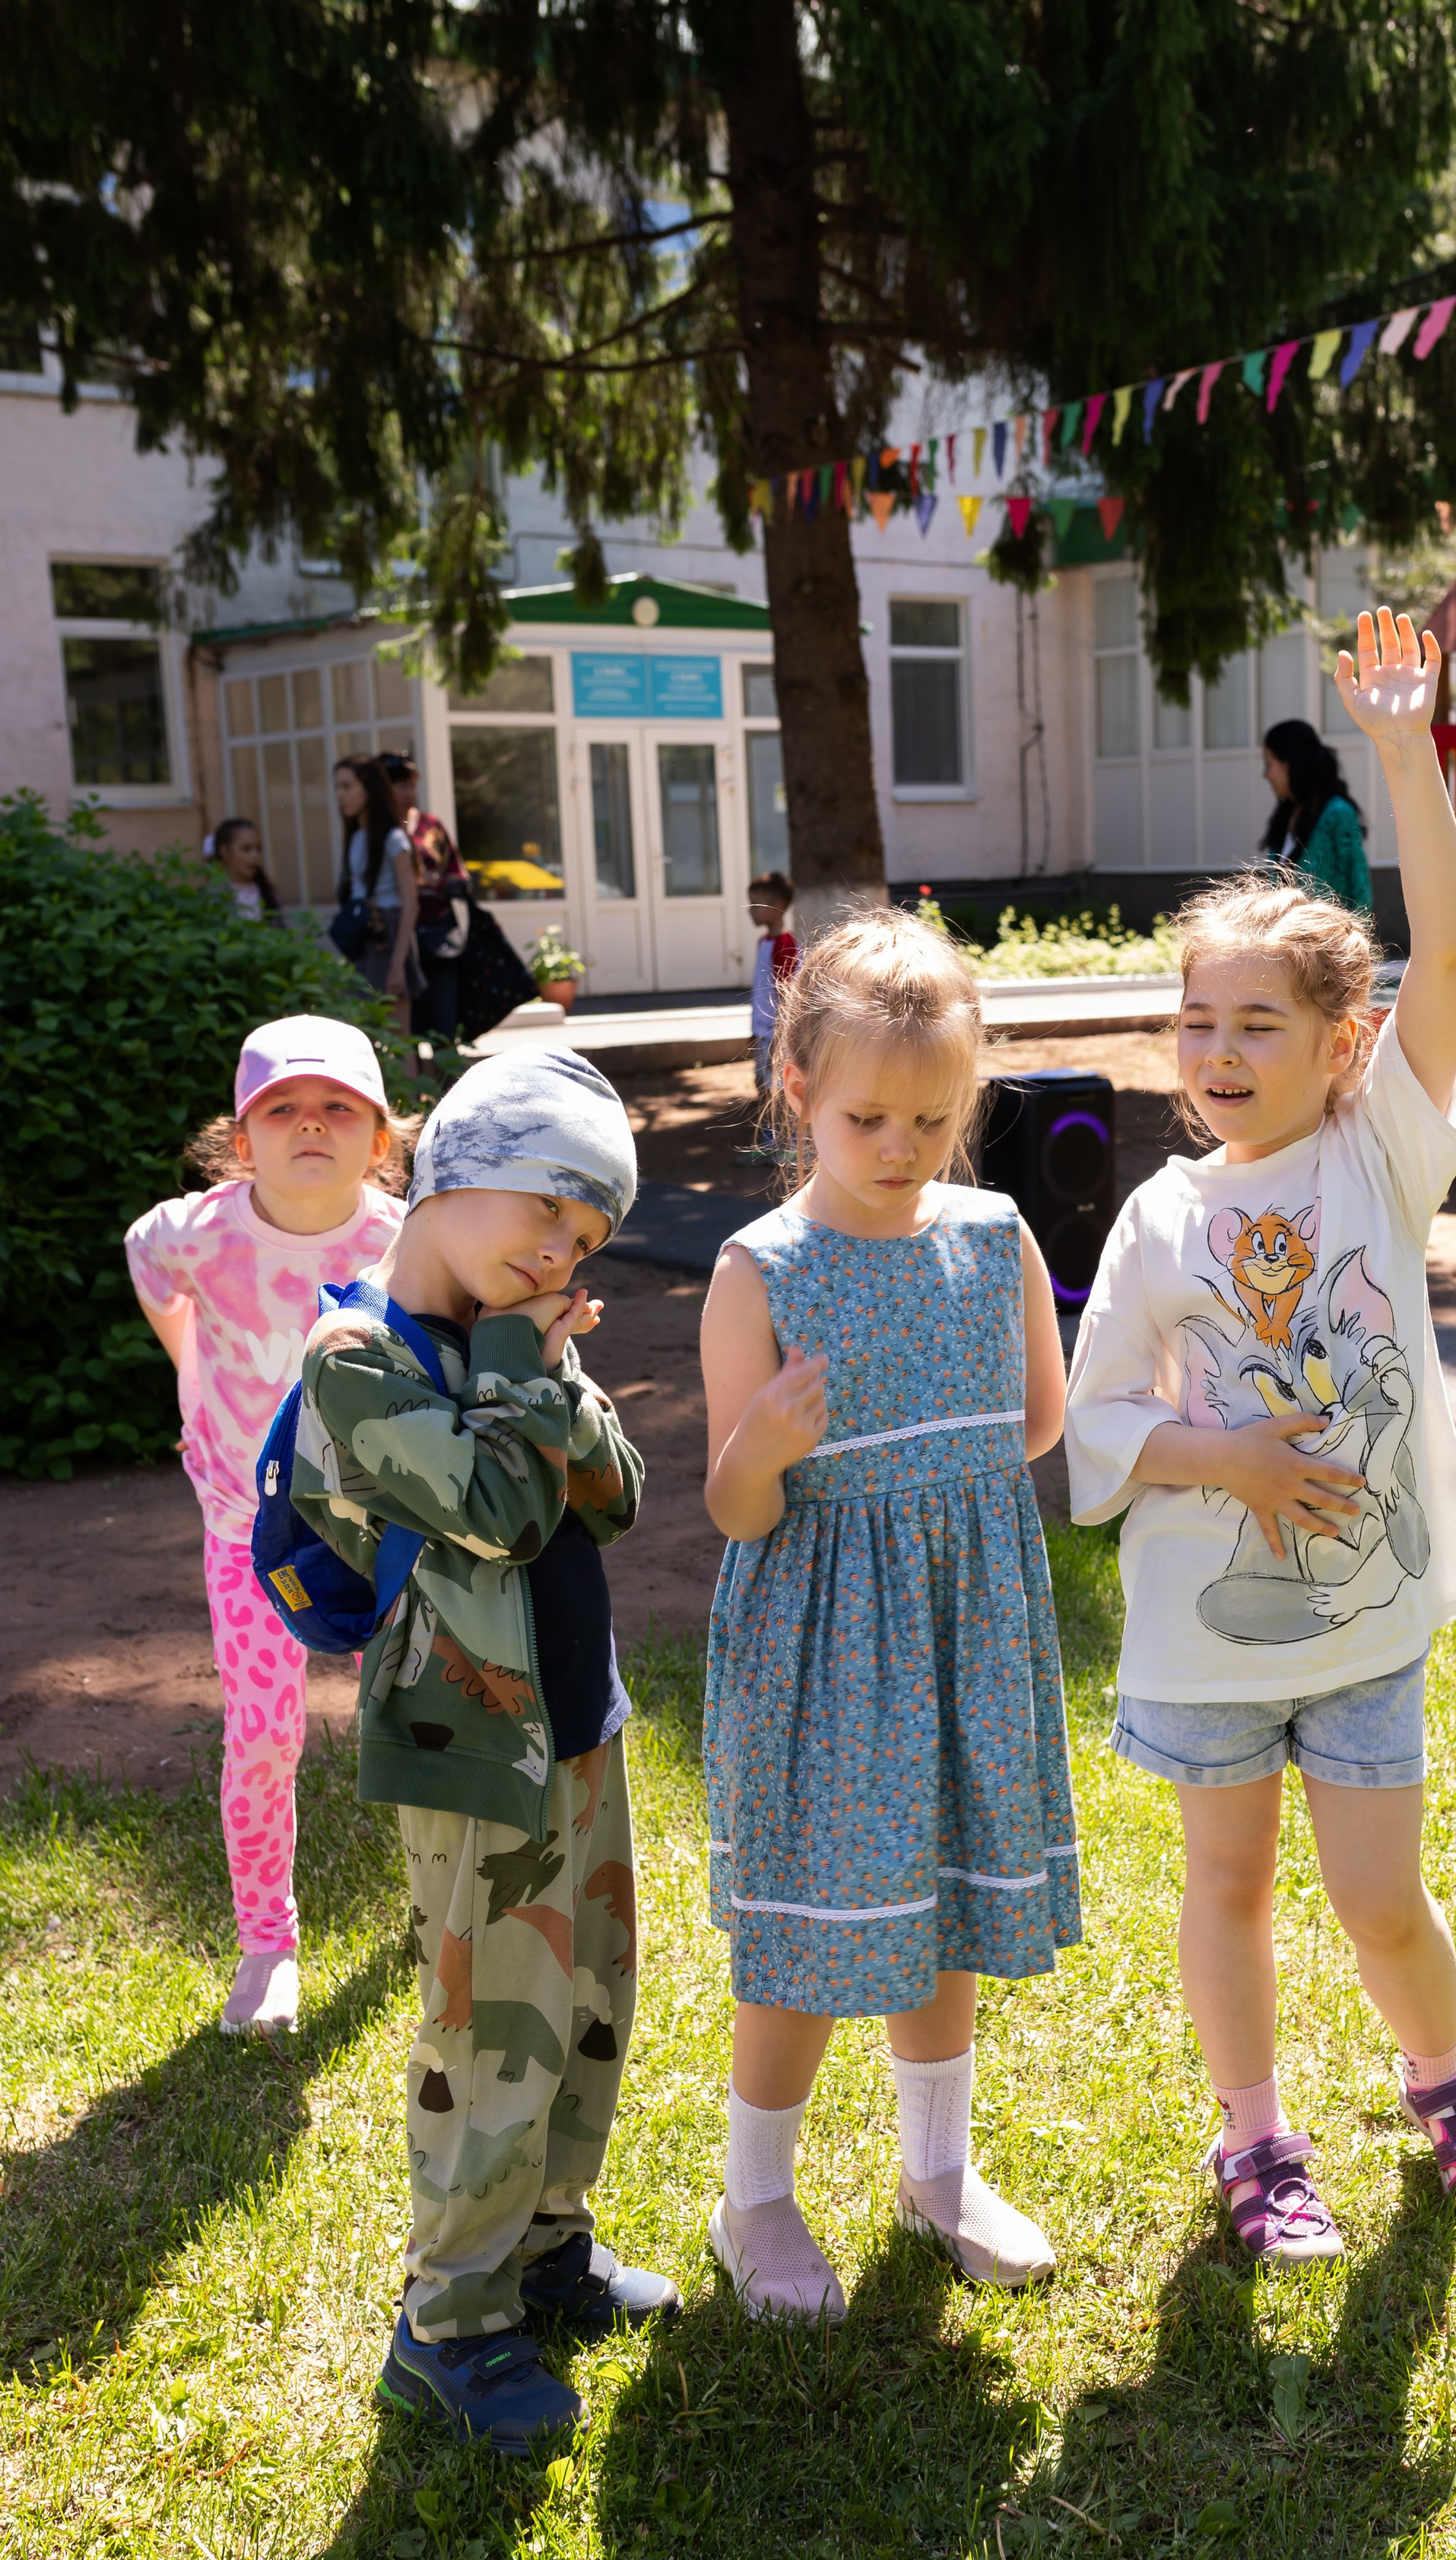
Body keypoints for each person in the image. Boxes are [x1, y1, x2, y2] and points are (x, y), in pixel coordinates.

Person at [1065, 608, 1456, 2266]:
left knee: (1377, 1896)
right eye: (1197, 1025)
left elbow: (1453, 946)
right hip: (1204, 1636)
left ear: (1338, 1047)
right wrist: (1230, 1463)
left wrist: (1404, 742)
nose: (1216, 1056)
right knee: (1227, 1889)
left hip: (1361, 1625)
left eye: (1256, 1026)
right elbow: (1095, 1424)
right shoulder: (1154, 1218)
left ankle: (1444, 2086)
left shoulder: (1377, 1156)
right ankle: (1256, 2144)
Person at [288, 1043, 678, 2449]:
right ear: (449, 1182)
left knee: (586, 2019)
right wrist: (530, 1362)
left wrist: (554, 1377)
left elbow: (617, 1495)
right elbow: (503, 1513)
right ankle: (448, 2326)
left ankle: (544, 2255)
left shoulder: (533, 1349)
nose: (561, 1254)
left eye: (587, 1238)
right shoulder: (357, 1361)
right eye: (546, 1215)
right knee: (487, 2043)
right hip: (471, 1756)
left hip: (583, 1734)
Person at [699, 910, 1077, 2322]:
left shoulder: (998, 1234)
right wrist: (765, 1453)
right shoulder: (760, 1270)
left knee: (947, 1916)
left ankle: (938, 2175)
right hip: (823, 1659)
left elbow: (1033, 1419)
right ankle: (756, 2199)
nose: (903, 1144)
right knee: (808, 1935)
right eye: (867, 1115)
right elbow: (734, 1513)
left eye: (932, 1116)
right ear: (796, 1088)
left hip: (964, 1636)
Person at [125, 1017, 405, 2033]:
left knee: (415, 1710)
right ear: (243, 1141)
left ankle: (439, 1902)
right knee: (261, 1734)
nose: (311, 1125)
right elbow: (148, 1262)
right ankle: (266, 1947)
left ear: (380, 1137)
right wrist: (194, 1379)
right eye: (281, 1108)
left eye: (339, 1106)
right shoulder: (196, 1232)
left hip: (387, 1527)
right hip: (253, 1526)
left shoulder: (406, 1240)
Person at [385, 749, 471, 1041]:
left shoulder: (430, 826)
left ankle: (446, 1086)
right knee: (405, 1035)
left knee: (444, 1030)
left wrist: (427, 881)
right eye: (399, 785)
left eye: (412, 785)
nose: (408, 793)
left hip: (438, 940)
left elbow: (461, 879)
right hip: (394, 941)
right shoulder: (376, 833)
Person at [331, 755, 420, 1026]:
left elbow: (411, 903)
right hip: (366, 937)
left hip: (389, 935)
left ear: (369, 788)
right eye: (337, 787)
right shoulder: (357, 837)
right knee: (364, 1034)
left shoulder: (394, 838)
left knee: (398, 1037)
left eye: (348, 786)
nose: (340, 795)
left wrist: (397, 965)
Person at [1261, 716, 1373, 914]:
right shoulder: (1286, 815)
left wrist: (1359, 943)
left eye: (1269, 764)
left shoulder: (1338, 814)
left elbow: (1361, 893)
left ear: (1289, 763)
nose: (1265, 774)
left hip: (1330, 942)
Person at [747, 871, 798, 1113]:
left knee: (776, 1086)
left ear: (778, 906)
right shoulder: (764, 942)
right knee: (762, 1084)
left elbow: (787, 992)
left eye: (756, 904)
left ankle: (780, 1144)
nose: (750, 911)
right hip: (762, 1031)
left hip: (776, 1032)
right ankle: (770, 1140)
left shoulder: (785, 945)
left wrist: (782, 1031)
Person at [210, 817, 281, 920]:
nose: (255, 856)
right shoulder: (215, 895)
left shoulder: (268, 892)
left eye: (258, 849)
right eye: (246, 849)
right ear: (224, 852)